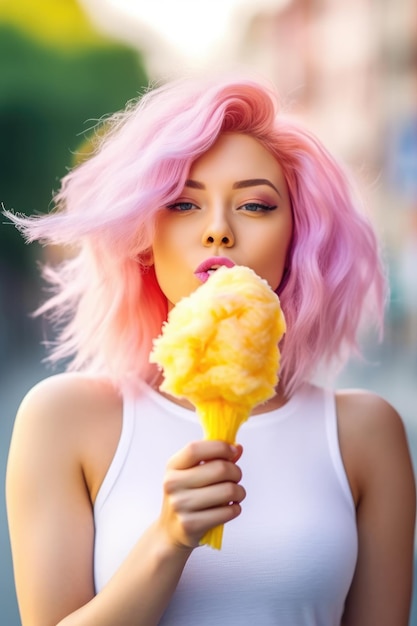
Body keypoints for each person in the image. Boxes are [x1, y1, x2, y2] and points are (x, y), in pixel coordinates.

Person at [5, 74, 416, 626]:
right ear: (142, 236)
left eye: (254, 205)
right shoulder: (63, 418)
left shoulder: (366, 433)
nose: (218, 230)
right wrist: (167, 541)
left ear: (301, 237)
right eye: (182, 204)